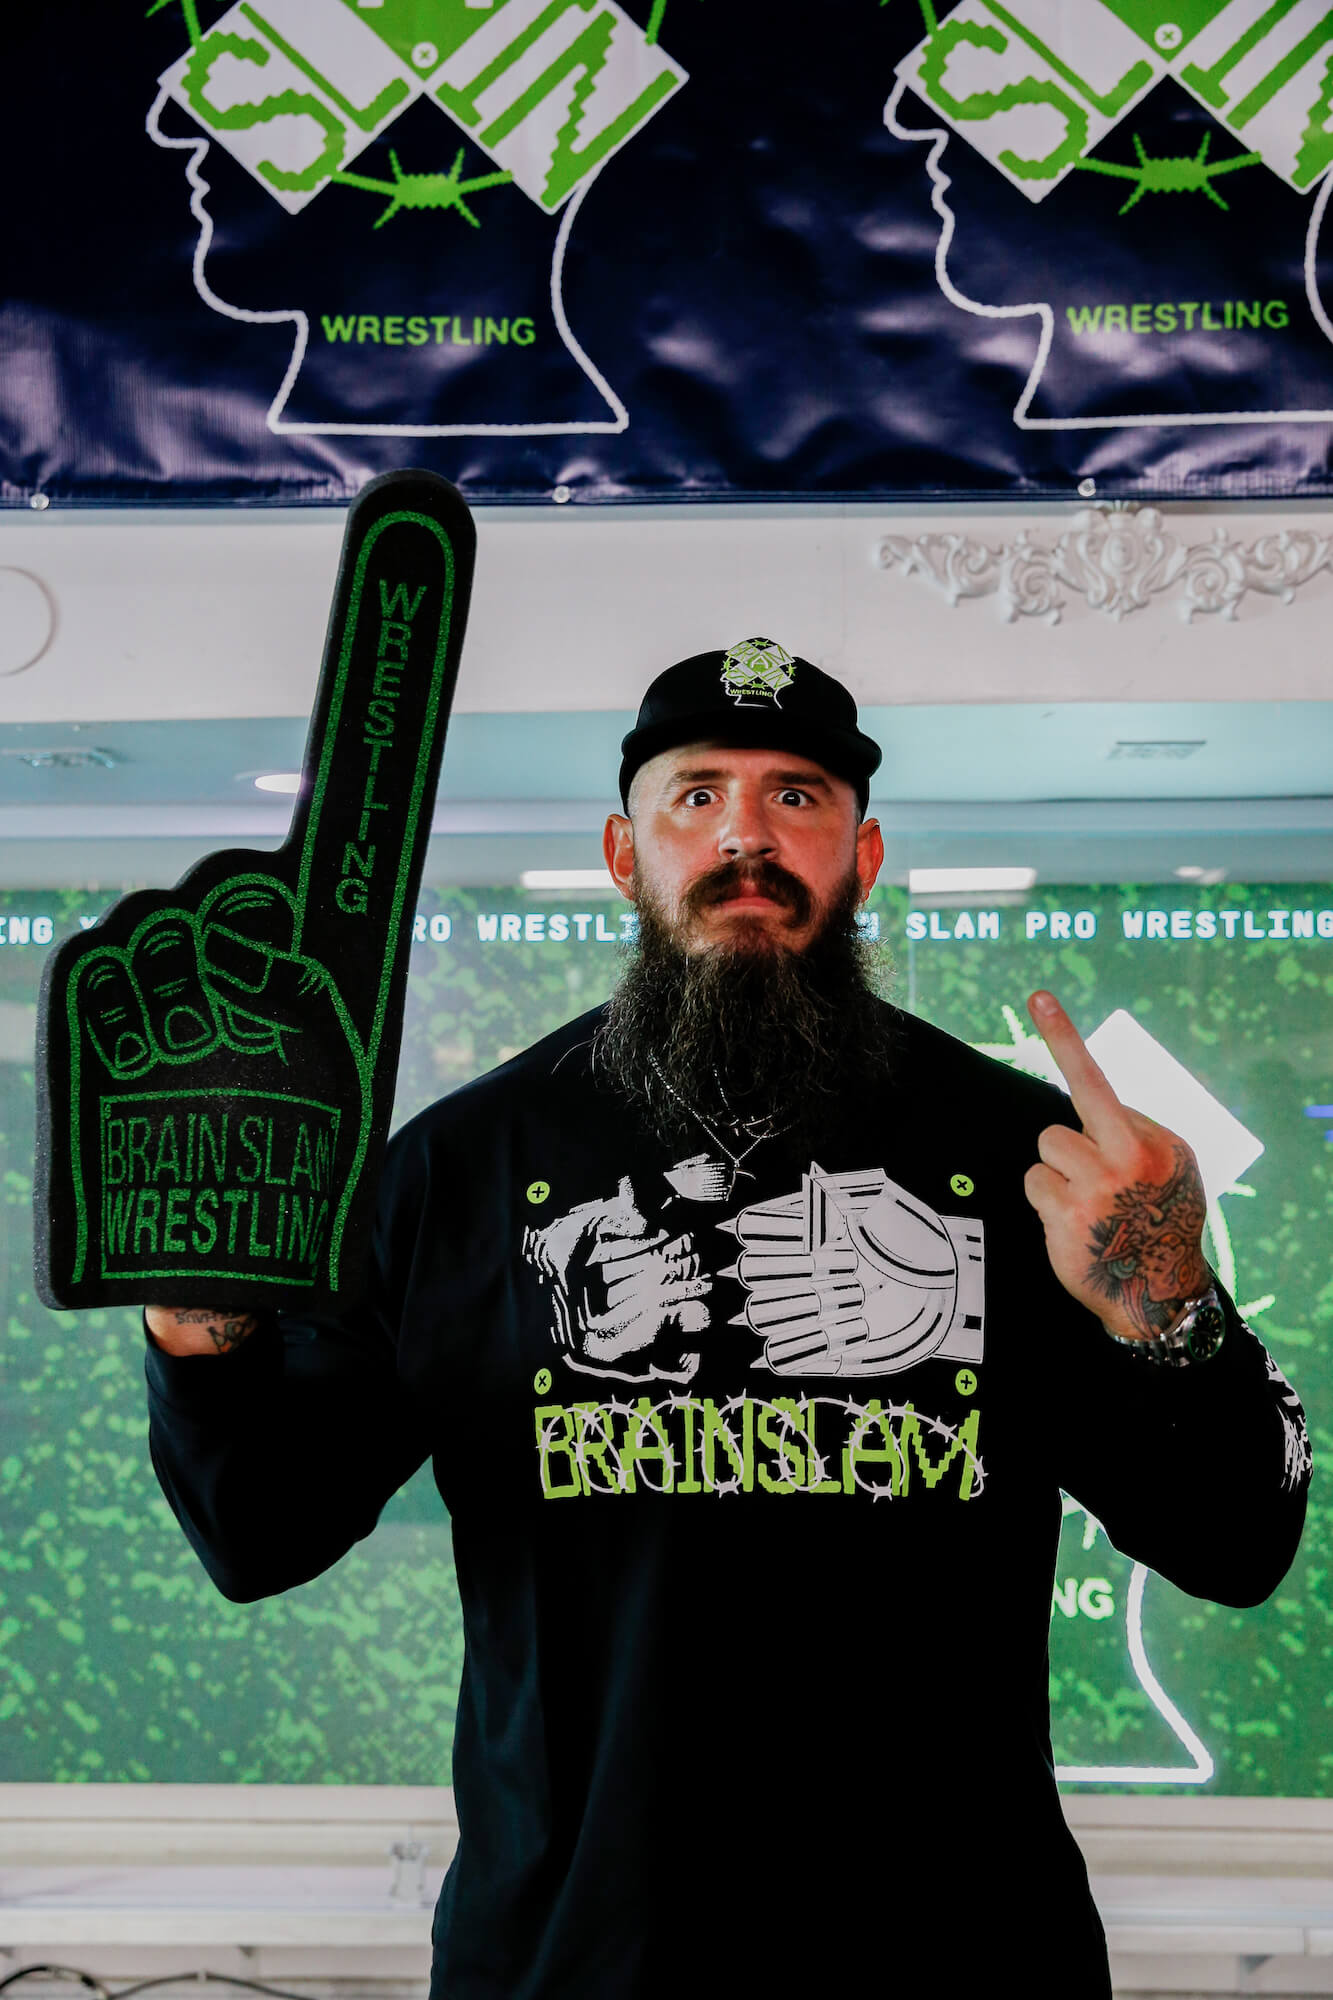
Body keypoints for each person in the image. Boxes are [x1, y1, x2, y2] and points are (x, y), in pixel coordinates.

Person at [144, 643, 1310, 1999]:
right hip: (574, 1961)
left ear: (863, 854)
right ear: (622, 854)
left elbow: (1237, 1541)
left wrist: (1166, 1295)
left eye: (795, 796)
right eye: (695, 795)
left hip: (956, 1959)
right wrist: (199, 1315)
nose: (745, 835)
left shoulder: (1028, 1160)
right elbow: (260, 1532)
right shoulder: (459, 1168)